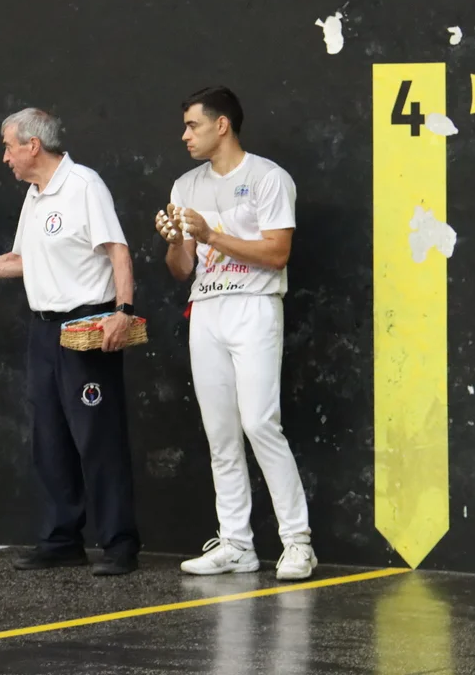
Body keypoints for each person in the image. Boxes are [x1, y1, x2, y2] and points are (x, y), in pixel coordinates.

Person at [0, 107, 142, 576]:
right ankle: (61, 539)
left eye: (9, 147)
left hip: (88, 325)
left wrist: (123, 311)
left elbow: (118, 250)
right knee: (49, 437)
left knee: (98, 437)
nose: (5, 157)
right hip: (45, 330)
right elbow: (20, 260)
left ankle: (120, 543)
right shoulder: (34, 195)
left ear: (33, 145)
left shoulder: (84, 185)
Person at [155, 86, 317, 580]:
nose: (185, 135)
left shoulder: (268, 178)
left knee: (261, 423)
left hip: (255, 307)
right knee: (220, 432)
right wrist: (177, 242)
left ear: (221, 125)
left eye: (193, 126)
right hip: (207, 310)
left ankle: (298, 543)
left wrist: (211, 234)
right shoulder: (185, 186)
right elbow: (182, 268)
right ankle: (236, 545)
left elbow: (277, 253)